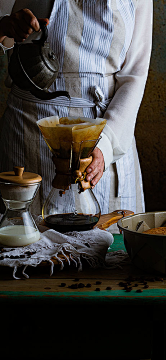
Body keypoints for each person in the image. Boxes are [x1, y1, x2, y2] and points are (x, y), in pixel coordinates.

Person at [0, 0, 152, 230]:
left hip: (105, 138)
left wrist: (106, 145)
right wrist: (4, 28)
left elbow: (135, 76)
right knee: (27, 251)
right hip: (29, 133)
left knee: (109, 254)